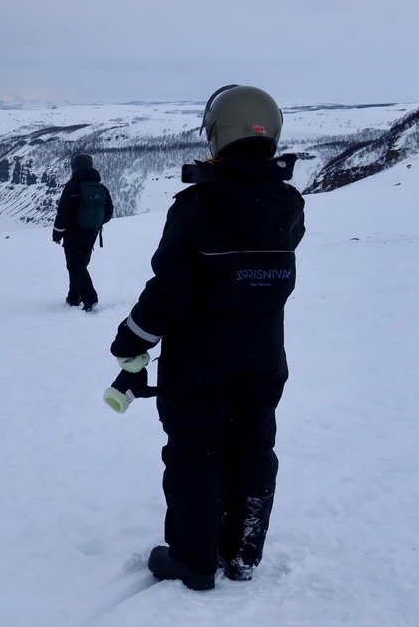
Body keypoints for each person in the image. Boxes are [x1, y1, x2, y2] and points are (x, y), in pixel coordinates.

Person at [108, 85, 305, 590]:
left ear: (218, 134)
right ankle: (241, 553)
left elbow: (171, 288)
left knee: (198, 451)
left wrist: (133, 339)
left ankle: (194, 560)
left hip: (202, 361)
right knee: (254, 446)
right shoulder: (288, 205)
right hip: (264, 356)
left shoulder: (199, 207)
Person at [52, 153, 113, 311]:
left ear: (74, 168)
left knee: (75, 265)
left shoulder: (72, 187)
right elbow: (108, 212)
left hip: (73, 233)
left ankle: (89, 297)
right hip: (92, 234)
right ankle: (74, 297)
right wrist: (94, 224)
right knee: (80, 264)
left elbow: (63, 213)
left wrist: (57, 234)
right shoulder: (101, 188)